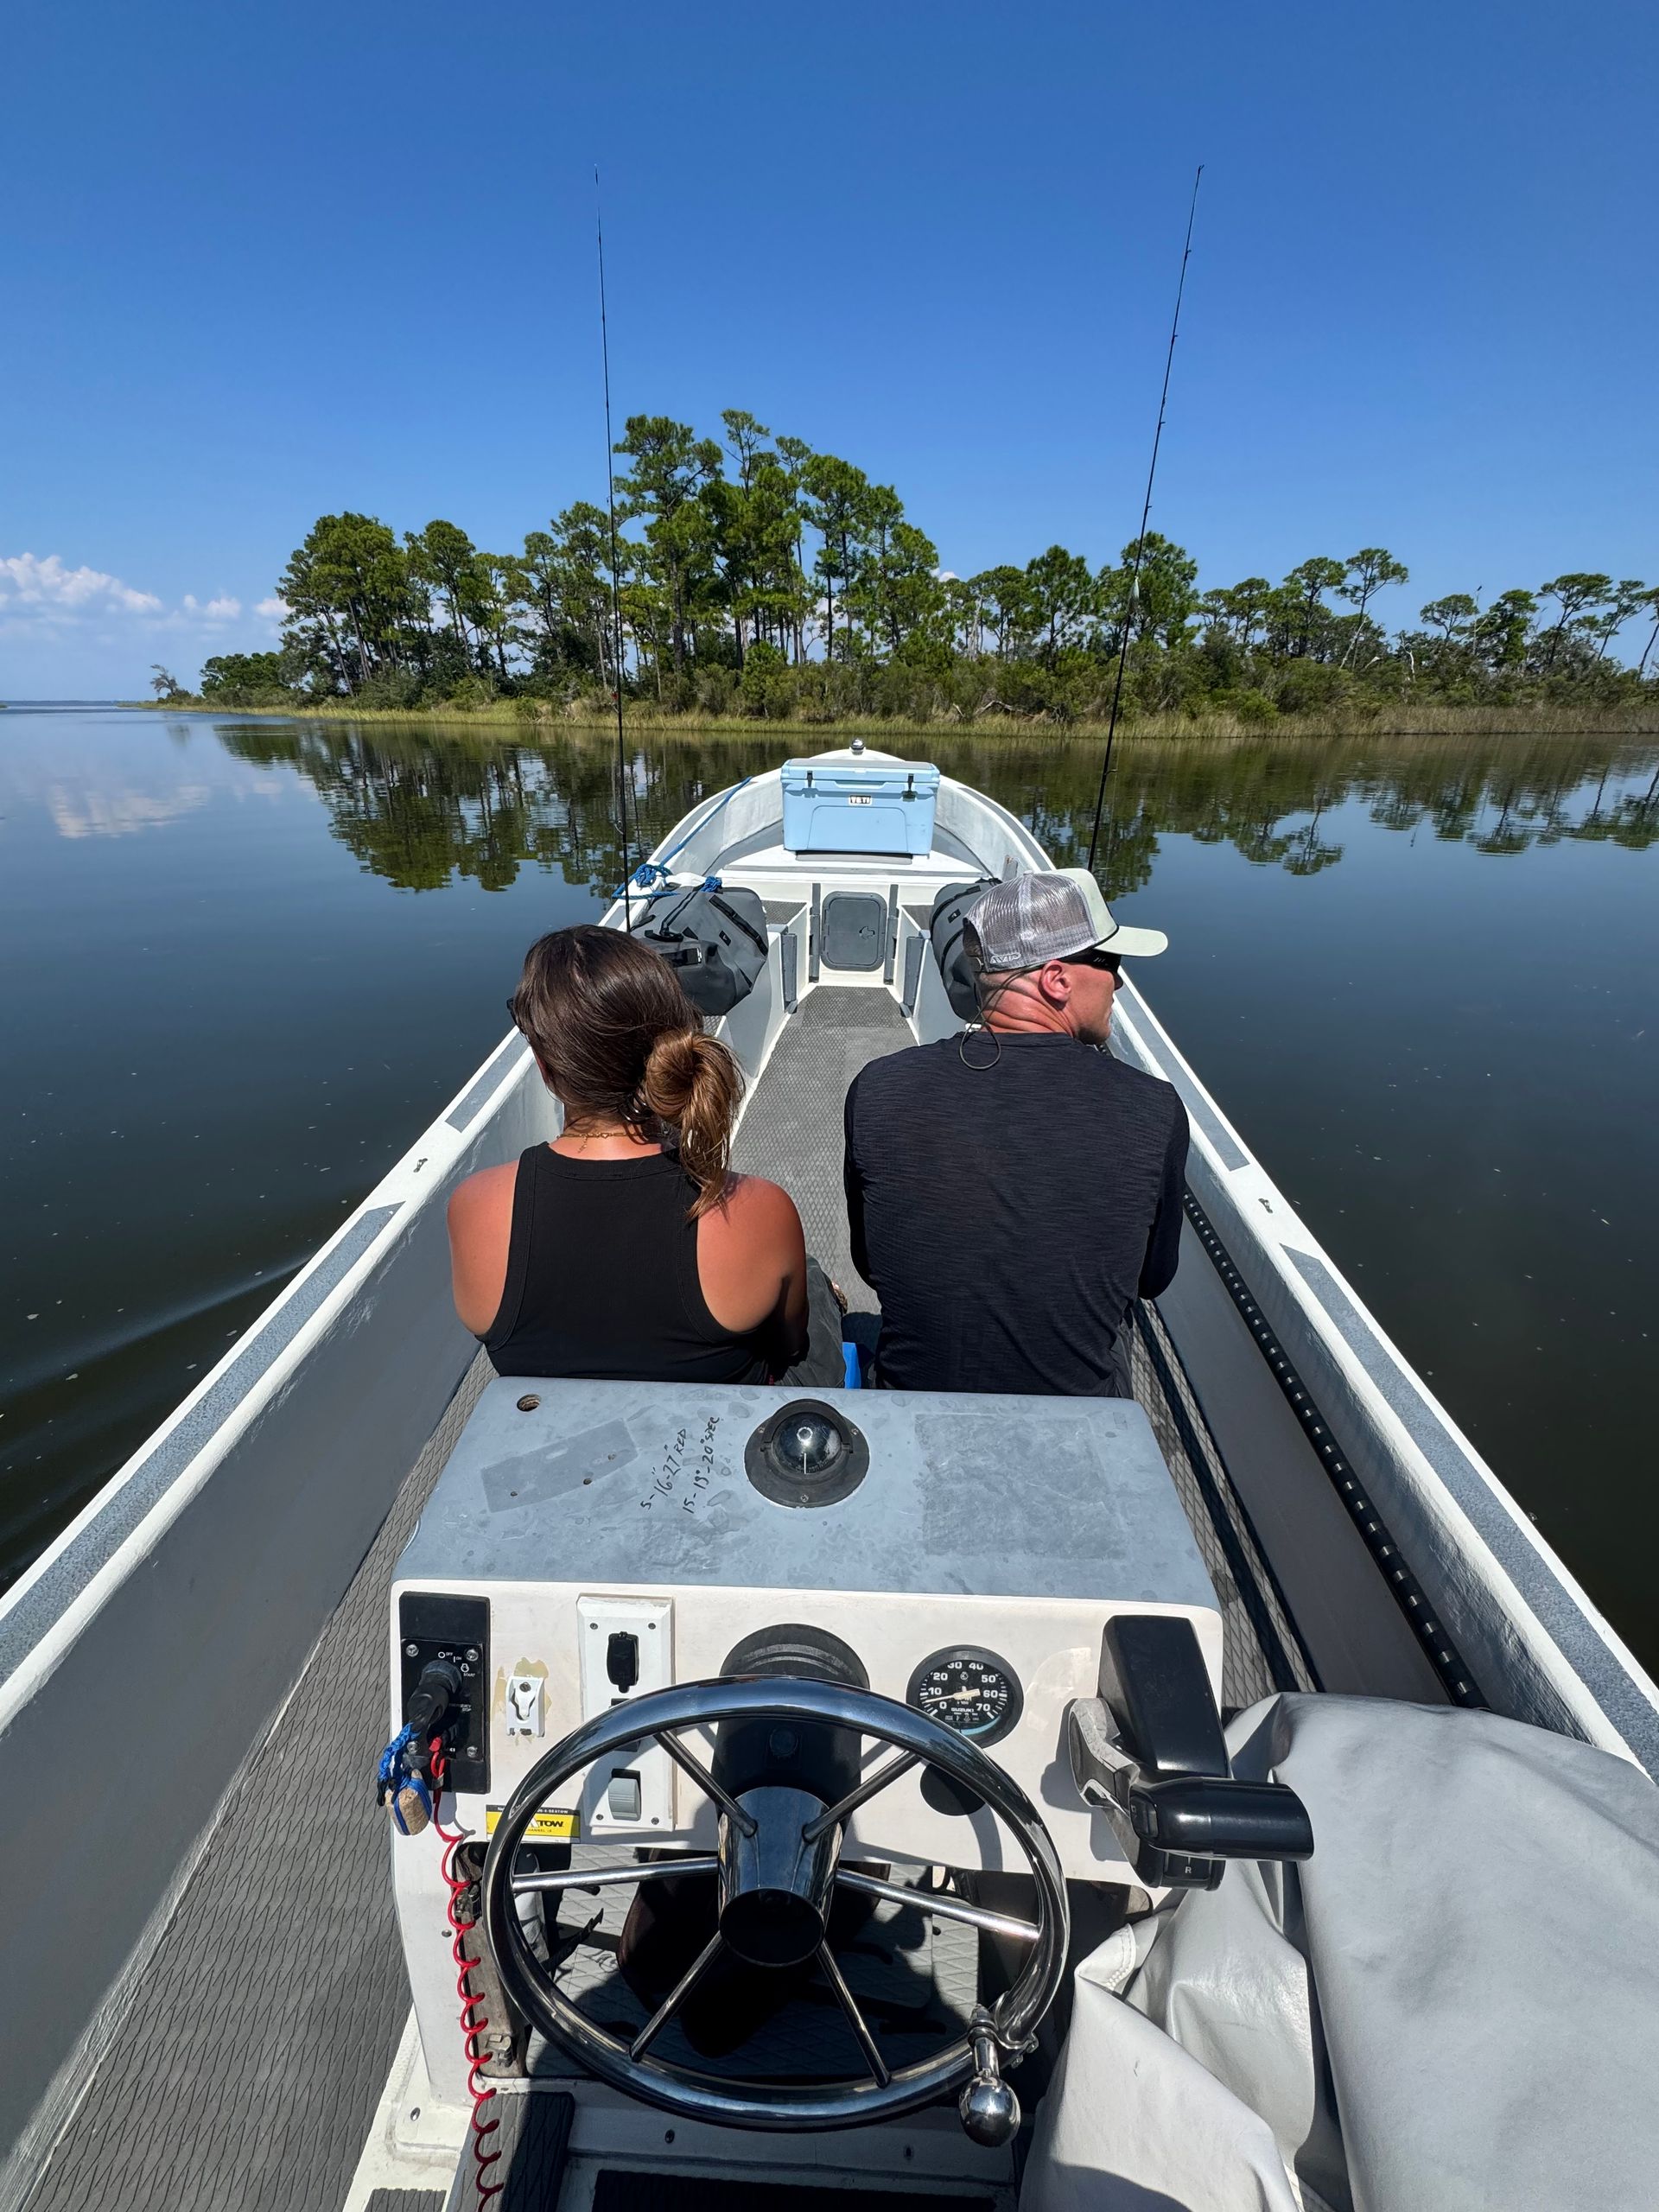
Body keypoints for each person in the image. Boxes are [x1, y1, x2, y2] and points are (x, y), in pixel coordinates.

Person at [842, 868, 1187, 1396]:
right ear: (1057, 980)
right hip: (1076, 1420)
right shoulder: (1155, 1109)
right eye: (1110, 961)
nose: (1118, 981)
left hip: (910, 1406)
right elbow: (1150, 1281)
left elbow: (870, 1265)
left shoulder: (878, 1088)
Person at [448, 925, 809, 1382]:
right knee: (812, 1281)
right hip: (708, 1442)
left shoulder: (475, 1206)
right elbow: (791, 1346)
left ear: (545, 1067)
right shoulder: (758, 1209)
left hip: (550, 1441)